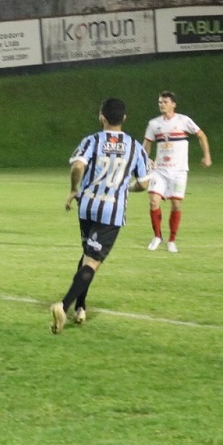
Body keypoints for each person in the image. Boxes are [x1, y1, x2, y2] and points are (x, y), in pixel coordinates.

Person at [51, 97, 150, 334]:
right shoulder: (135, 147)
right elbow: (145, 183)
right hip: (111, 212)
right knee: (93, 261)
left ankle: (80, 307)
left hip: (87, 207)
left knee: (87, 255)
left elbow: (77, 166)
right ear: (124, 118)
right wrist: (127, 187)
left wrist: (74, 189)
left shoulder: (92, 141)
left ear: (101, 117)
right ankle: (63, 306)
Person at [142, 91, 212, 253]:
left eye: (165, 102)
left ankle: (172, 240)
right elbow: (147, 143)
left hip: (179, 170)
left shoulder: (183, 120)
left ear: (173, 104)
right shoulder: (154, 124)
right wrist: (146, 158)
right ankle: (157, 236)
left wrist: (206, 156)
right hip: (159, 170)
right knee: (153, 201)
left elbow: (201, 136)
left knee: (176, 204)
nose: (162, 105)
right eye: (160, 102)